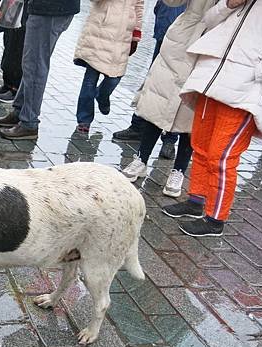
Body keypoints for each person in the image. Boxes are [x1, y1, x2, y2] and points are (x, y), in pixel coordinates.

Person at [162, 0, 262, 237]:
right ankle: (195, 201)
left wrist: (256, 70)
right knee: (200, 146)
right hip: (210, 81)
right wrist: (230, 4)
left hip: (244, 92)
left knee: (222, 156)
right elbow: (209, 20)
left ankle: (215, 218)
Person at [121, 0, 217, 198]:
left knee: (192, 113)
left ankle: (179, 170)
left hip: (214, 46)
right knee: (159, 101)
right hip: (181, 40)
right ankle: (141, 157)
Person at [0, 0, 80, 140]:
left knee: (34, 66)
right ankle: (21, 111)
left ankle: (29, 122)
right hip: (52, 9)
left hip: (48, 9)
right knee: (32, 64)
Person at [113, 0, 186, 161]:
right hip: (167, 29)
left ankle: (169, 138)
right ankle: (138, 126)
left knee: (179, 89)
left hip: (188, 36)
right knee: (154, 82)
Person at [73, 0, 144, 134]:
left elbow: (139, 7)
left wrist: (136, 34)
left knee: (114, 78)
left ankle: (102, 95)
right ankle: (84, 120)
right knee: (90, 80)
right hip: (100, 32)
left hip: (123, 36)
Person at [0, 0, 28, 104]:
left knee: (18, 47)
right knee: (9, 44)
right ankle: (8, 84)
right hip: (11, 6)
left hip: (23, 9)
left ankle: (15, 88)